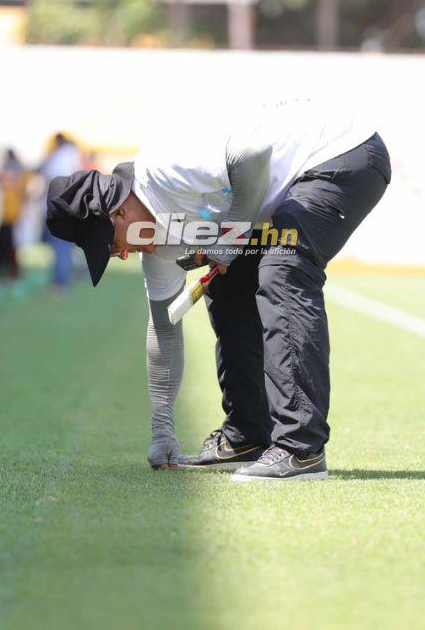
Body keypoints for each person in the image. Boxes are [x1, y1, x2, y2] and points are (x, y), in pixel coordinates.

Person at [45, 99, 391, 482]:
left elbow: (251, 155)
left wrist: (230, 238)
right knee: (230, 284)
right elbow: (162, 330)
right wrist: (163, 430)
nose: (123, 254)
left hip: (343, 153)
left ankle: (300, 449)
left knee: (282, 268)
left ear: (118, 213)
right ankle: (247, 436)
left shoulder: (164, 168)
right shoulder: (157, 247)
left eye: (111, 245)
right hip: (292, 183)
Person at [37, 133, 82, 292]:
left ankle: (61, 282)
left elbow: (52, 181)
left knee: (60, 247)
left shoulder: (59, 158)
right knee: (66, 247)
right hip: (69, 206)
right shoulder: (73, 156)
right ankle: (66, 277)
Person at [0, 148, 25, 280]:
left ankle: (11, 271)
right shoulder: (16, 172)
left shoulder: (15, 172)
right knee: (4, 242)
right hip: (9, 214)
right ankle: (6, 270)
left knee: (7, 243)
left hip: (12, 214)